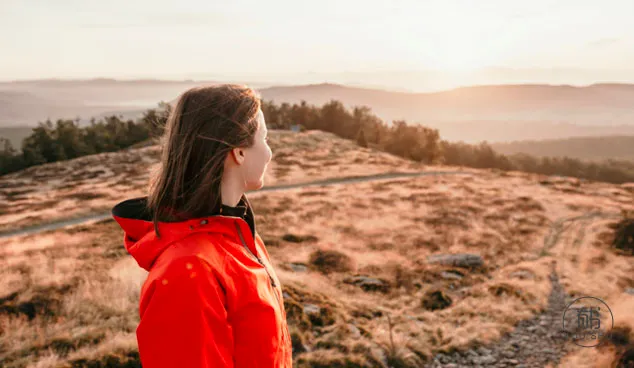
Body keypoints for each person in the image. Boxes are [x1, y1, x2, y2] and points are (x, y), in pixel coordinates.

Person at [111, 84, 292, 367]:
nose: (269, 152)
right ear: (239, 152)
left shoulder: (239, 235)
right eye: (264, 139)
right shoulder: (190, 272)